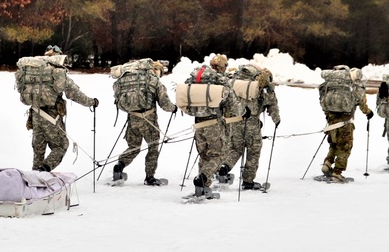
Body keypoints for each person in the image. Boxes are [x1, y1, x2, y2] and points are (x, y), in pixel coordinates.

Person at [16, 45, 98, 172]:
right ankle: (44, 170)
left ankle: (35, 179)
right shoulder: (56, 72)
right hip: (52, 116)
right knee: (61, 146)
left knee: (38, 149)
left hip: (35, 116)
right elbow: (74, 94)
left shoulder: (32, 70)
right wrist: (91, 102)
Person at [111, 60, 178, 186]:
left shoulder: (127, 79)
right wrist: (173, 108)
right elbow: (164, 103)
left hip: (132, 119)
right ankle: (150, 176)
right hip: (149, 120)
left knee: (134, 147)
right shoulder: (153, 80)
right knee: (153, 147)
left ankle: (119, 166)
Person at [179, 54, 234, 197]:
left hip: (198, 122)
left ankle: (203, 187)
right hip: (214, 123)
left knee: (204, 154)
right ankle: (203, 177)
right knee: (218, 154)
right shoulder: (220, 81)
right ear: (223, 66)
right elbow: (233, 105)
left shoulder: (196, 80)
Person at [219, 64, 281, 190]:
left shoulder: (236, 83)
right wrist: (276, 119)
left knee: (236, 149)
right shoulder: (262, 86)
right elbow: (272, 104)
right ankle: (248, 181)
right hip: (252, 123)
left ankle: (224, 166)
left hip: (235, 121)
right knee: (253, 151)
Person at [318, 66, 372, 182]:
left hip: (331, 119)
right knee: (344, 146)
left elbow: (322, 98)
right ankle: (337, 173)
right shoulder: (351, 84)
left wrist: (328, 114)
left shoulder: (329, 83)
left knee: (334, 144)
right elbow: (360, 100)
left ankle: (326, 165)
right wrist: (368, 112)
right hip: (346, 120)